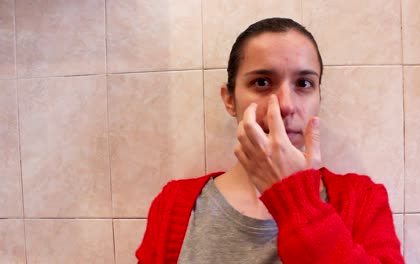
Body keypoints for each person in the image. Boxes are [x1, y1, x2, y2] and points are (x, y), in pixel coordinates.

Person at [136, 17, 404, 264]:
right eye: (262, 82)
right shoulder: (174, 205)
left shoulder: (363, 200)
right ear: (230, 100)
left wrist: (298, 203)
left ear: (319, 98)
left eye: (304, 84)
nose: (286, 105)